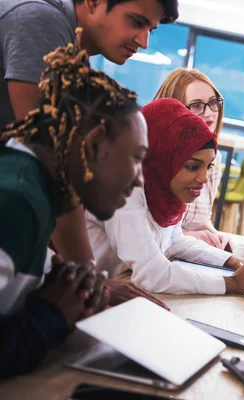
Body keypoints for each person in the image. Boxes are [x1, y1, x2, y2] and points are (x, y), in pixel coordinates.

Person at [0, 37, 146, 377]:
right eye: (137, 158)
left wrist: (68, 284)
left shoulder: (32, 187)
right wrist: (52, 313)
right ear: (94, 144)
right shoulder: (16, 201)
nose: (139, 180)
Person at [0, 0, 178, 264]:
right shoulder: (42, 21)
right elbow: (52, 167)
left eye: (150, 30)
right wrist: (88, 276)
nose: (144, 42)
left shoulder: (71, 53)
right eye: (137, 22)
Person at [86, 98, 244, 295]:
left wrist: (234, 262)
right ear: (160, 156)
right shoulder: (122, 188)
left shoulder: (162, 191)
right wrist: (233, 283)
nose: (203, 178)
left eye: (208, 166)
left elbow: (175, 242)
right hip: (85, 297)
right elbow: (153, 274)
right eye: (192, 166)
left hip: (112, 288)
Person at [153, 68, 230, 250]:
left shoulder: (213, 157)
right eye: (196, 105)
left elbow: (202, 220)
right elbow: (149, 237)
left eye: (213, 102)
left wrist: (215, 235)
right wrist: (191, 238)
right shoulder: (156, 159)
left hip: (187, 256)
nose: (210, 113)